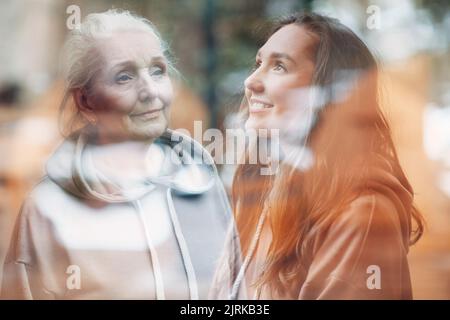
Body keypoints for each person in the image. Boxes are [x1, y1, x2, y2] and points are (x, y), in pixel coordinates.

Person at [1, 9, 231, 299]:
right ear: (85, 102)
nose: (151, 91)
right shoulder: (48, 206)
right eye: (124, 77)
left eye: (158, 70)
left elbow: (235, 294)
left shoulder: (200, 182)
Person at [210, 12, 424, 300]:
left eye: (280, 67)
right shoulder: (264, 189)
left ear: (329, 93)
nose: (250, 82)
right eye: (259, 63)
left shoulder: (362, 213)